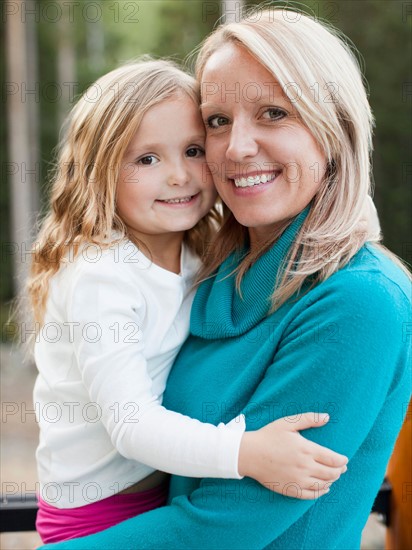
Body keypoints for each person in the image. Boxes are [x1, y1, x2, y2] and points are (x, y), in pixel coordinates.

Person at [39, 7, 411, 549]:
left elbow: (232, 522)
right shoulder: (216, 268)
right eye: (216, 121)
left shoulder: (359, 300)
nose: (235, 148)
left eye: (274, 113)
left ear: (334, 129)